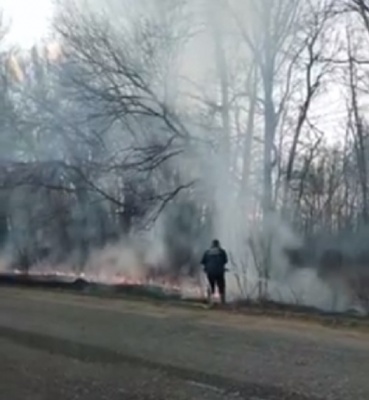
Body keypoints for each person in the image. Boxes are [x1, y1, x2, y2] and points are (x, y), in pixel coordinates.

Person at [201, 239, 228, 304]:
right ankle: (222, 300)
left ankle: (209, 299)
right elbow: (225, 261)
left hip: (210, 272)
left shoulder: (207, 252)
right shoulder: (222, 252)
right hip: (219, 272)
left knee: (211, 285)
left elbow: (202, 262)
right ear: (218, 245)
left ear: (212, 245)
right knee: (221, 285)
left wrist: (207, 266)